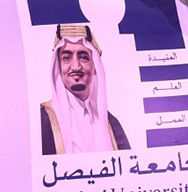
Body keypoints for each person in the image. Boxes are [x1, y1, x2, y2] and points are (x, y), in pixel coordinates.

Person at [40, 24, 130, 154]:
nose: (75, 66)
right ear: (58, 66)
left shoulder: (111, 124)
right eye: (66, 58)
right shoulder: (43, 118)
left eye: (83, 57)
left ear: (95, 66)